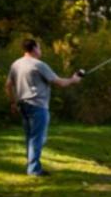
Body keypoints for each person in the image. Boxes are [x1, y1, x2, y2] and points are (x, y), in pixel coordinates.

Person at [5, 38, 82, 176]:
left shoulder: (15, 64)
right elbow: (60, 83)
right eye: (39, 48)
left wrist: (13, 102)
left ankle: (32, 166)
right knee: (38, 138)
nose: (40, 51)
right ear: (34, 48)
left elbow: (8, 85)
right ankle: (34, 170)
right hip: (38, 106)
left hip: (23, 105)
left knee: (30, 137)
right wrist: (73, 80)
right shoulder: (38, 65)